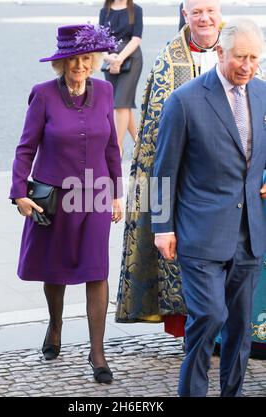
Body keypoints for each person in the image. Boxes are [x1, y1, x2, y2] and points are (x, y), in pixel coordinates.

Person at [153, 18, 266, 397]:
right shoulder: (184, 101)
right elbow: (162, 171)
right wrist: (161, 227)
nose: (248, 66)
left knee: (240, 327)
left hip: (249, 235)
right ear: (220, 52)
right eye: (240, 57)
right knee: (210, 316)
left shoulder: (264, 94)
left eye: (254, 58)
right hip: (199, 235)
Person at [9, 24, 123, 384]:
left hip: (96, 195)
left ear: (94, 60)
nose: (80, 65)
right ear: (61, 63)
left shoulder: (105, 91)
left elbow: (112, 149)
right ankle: (55, 326)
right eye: (73, 59)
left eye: (86, 58)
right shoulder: (42, 95)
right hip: (55, 198)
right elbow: (26, 147)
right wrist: (18, 192)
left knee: (96, 269)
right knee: (55, 269)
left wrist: (118, 194)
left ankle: (97, 352)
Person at [116, 0, 222, 336]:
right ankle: (193, 331)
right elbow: (155, 132)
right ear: (184, 16)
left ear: (220, 13)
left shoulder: (240, 51)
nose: (204, 18)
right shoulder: (167, 60)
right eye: (196, 12)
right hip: (187, 178)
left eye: (210, 10)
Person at [99, 0, 143, 156]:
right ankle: (141, 143)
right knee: (121, 103)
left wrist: (120, 59)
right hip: (110, 59)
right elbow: (101, 40)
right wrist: (108, 58)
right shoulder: (105, 10)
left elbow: (136, 39)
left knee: (121, 103)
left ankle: (117, 148)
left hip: (131, 58)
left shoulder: (136, 10)